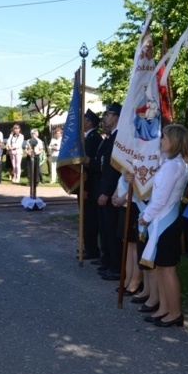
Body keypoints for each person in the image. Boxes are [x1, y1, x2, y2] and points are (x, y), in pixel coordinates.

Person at [137, 124, 188, 328]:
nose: (161, 141)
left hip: (164, 220)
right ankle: (164, 308)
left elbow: (161, 199)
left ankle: (175, 312)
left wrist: (145, 216)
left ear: (175, 142)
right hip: (164, 219)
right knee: (160, 267)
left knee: (167, 269)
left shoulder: (173, 166)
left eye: (165, 138)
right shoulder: (176, 164)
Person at [96, 103, 123, 282]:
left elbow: (114, 169)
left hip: (114, 192)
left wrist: (106, 192)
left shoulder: (119, 138)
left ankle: (117, 266)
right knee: (107, 229)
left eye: (108, 114)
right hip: (107, 189)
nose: (105, 117)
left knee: (113, 231)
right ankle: (110, 261)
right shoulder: (110, 137)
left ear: (117, 117)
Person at [82, 110, 103, 261]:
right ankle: (88, 247)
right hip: (84, 183)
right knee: (86, 219)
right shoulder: (87, 137)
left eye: (84, 119)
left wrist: (86, 188)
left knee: (90, 220)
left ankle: (92, 250)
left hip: (90, 184)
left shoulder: (93, 138)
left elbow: (89, 166)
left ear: (89, 122)